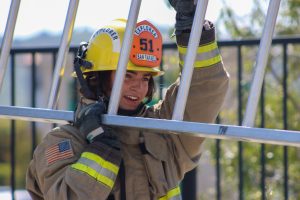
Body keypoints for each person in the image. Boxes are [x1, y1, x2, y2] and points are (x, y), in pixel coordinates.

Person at [26, 1, 229, 199]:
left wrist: (192, 29)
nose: (138, 87)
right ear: (97, 77)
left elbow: (205, 91)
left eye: (145, 77)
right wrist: (101, 146)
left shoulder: (162, 130)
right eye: (127, 75)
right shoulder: (63, 142)